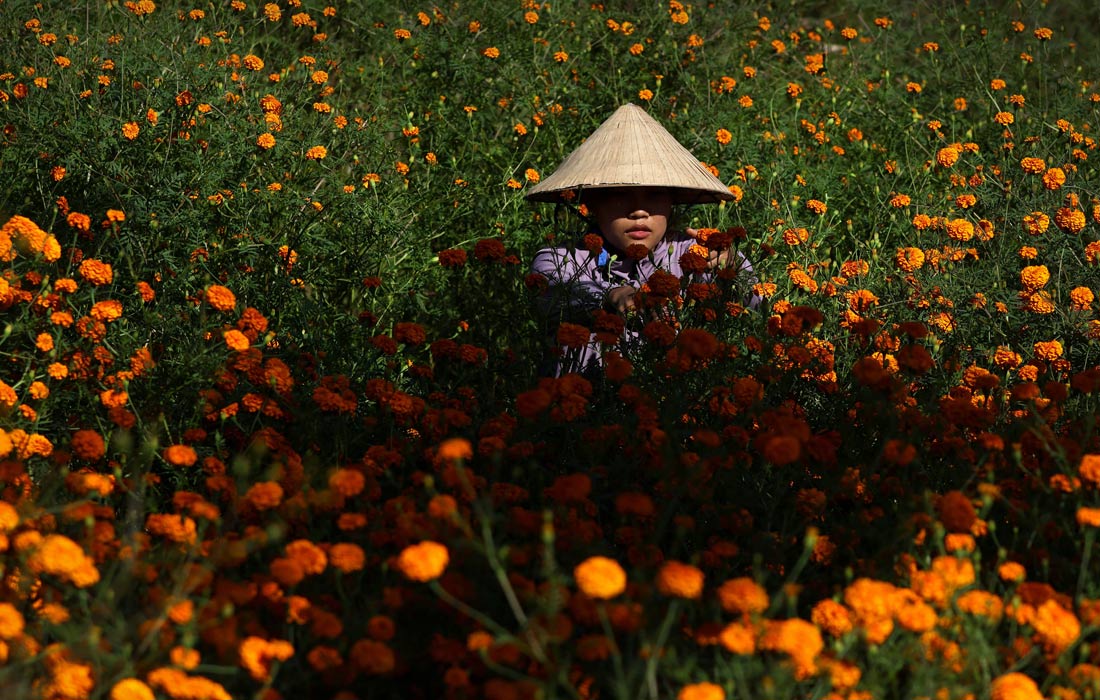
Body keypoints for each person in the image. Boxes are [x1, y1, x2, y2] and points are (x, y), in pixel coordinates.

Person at [526, 103, 758, 376]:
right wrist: (609, 296)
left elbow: (754, 306)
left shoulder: (692, 254)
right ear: (590, 203)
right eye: (620, 195)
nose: (639, 211)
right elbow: (551, 290)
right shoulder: (563, 258)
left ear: (672, 201)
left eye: (654, 194)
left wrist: (731, 268)